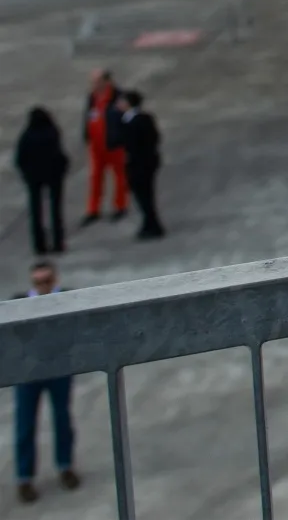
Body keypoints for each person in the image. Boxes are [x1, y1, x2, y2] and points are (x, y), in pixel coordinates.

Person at [13, 261, 78, 502]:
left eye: (47, 281)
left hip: (58, 369)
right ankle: (24, 477)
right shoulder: (19, 302)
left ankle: (65, 465)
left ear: (55, 280)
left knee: (62, 418)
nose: (43, 287)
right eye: (38, 282)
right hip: (28, 373)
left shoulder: (67, 300)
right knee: (25, 423)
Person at [11, 113, 65, 258]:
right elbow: (58, 154)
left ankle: (39, 245)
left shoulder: (27, 135)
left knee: (36, 211)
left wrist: (26, 174)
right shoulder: (52, 132)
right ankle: (58, 242)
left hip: (34, 177)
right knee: (56, 209)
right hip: (53, 175)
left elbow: (19, 158)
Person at [78, 68, 127, 227]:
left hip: (113, 145)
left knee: (119, 176)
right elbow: (88, 116)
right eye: (93, 82)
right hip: (96, 146)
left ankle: (120, 206)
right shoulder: (92, 98)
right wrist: (86, 135)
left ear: (107, 81)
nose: (94, 85)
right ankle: (93, 209)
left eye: (97, 81)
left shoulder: (118, 97)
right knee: (95, 178)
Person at [113, 93, 164, 240]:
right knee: (142, 195)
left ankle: (153, 224)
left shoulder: (140, 119)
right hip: (138, 163)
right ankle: (149, 222)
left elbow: (148, 140)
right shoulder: (126, 120)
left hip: (142, 164)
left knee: (145, 195)